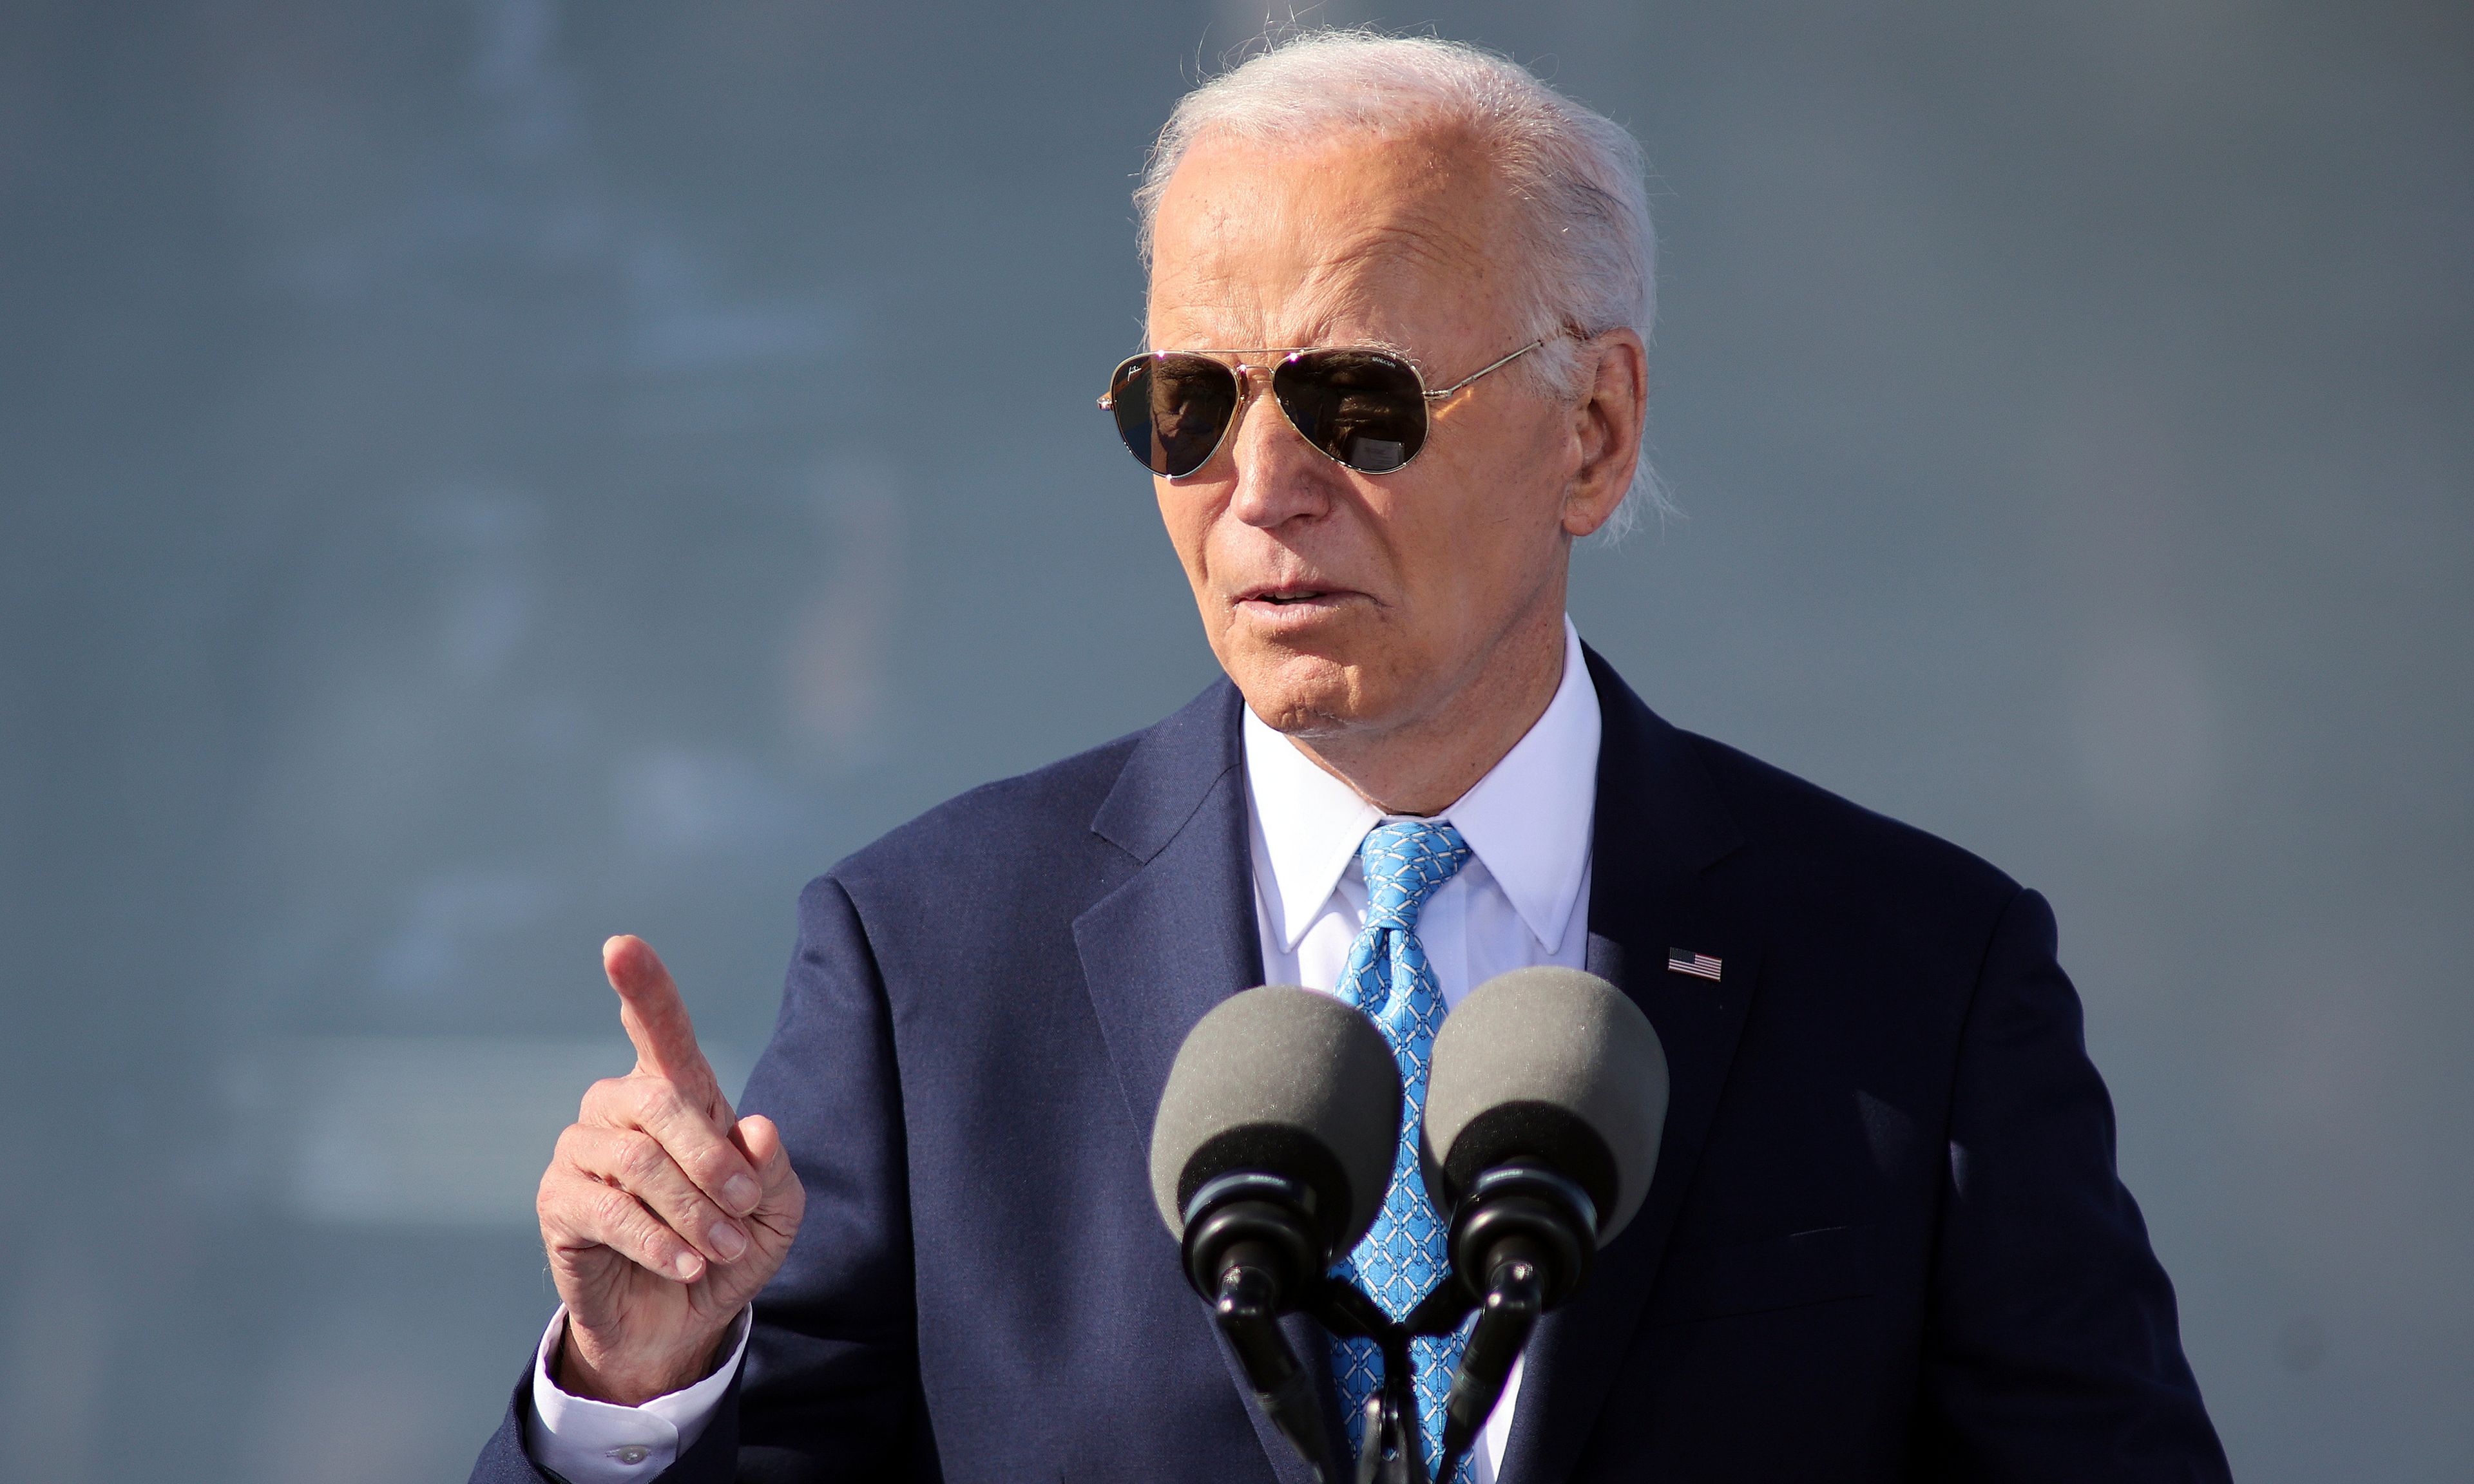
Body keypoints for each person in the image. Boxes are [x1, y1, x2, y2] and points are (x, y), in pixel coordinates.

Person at [472, 30, 2230, 1484]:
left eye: (1356, 402)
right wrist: (638, 1394)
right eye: (1189, 406)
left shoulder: (1911, 971)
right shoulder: (929, 962)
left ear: (1595, 432)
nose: (1262, 486)